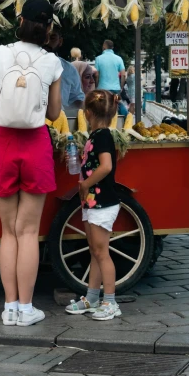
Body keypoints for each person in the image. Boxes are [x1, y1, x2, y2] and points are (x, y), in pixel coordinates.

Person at [0, 0, 62, 327]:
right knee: (28, 232)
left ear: (19, 20)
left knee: (8, 232)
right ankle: (27, 308)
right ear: (48, 27)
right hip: (35, 146)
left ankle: (9, 307)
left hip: (1, 144)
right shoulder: (53, 62)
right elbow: (53, 113)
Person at [65, 90, 123, 320]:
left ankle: (110, 301)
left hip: (102, 202)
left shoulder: (102, 136)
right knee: (95, 251)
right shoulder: (97, 135)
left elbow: (106, 166)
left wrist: (86, 183)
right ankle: (92, 297)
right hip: (93, 202)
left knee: (101, 252)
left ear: (88, 113)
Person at [47, 29, 84, 110]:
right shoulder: (24, 65)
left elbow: (76, 98)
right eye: (43, 37)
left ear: (60, 41)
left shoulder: (69, 69)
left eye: (52, 38)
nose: (47, 41)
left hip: (59, 120)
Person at [95, 40, 127, 116]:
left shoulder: (98, 59)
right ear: (112, 47)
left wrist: (96, 86)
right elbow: (123, 75)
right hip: (115, 89)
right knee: (116, 104)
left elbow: (96, 75)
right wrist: (121, 87)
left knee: (101, 106)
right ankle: (125, 118)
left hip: (102, 89)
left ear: (104, 46)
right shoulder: (119, 58)